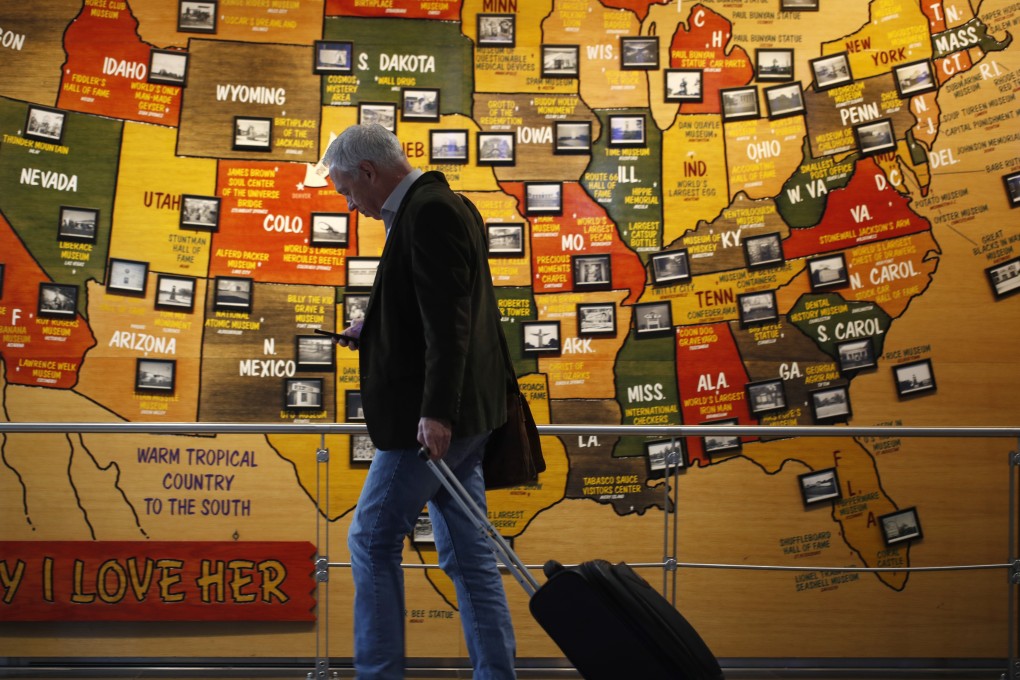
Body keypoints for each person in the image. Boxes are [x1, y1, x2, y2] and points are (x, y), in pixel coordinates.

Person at [321, 123, 516, 680]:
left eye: (346, 190)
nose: (350, 204)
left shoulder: (428, 213)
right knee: (469, 559)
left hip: (430, 425)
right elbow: (434, 311)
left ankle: (379, 674)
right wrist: (375, 329)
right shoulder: (445, 205)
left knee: (371, 539)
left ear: (368, 172)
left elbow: (451, 327)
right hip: (464, 420)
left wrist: (436, 413)